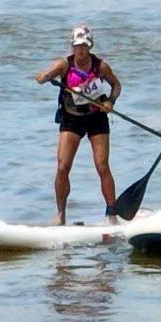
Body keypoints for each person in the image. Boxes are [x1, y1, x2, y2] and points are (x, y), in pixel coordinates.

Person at [35, 25, 119, 224]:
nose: (80, 50)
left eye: (84, 46)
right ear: (72, 46)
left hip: (96, 117)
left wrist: (110, 102)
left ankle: (112, 214)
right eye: (77, 46)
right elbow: (44, 76)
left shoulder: (101, 66)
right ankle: (60, 215)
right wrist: (44, 78)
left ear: (89, 46)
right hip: (71, 118)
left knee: (102, 165)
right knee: (63, 166)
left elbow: (116, 85)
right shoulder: (64, 64)